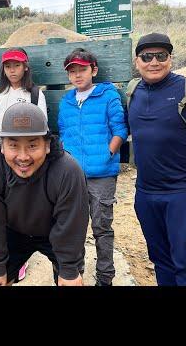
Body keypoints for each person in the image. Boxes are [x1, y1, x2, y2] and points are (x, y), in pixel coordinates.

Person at [127, 33, 186, 286]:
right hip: (145, 193)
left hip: (182, 192)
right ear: (137, 61)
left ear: (171, 59)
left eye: (161, 56)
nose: (153, 62)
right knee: (160, 259)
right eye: (147, 56)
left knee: (185, 262)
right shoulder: (132, 91)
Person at [0, 102, 89, 286]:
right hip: (14, 232)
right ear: (2, 145)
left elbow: (72, 221)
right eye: (13, 145)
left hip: (55, 230)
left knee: (70, 281)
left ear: (48, 145)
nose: (23, 156)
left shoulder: (68, 170)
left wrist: (68, 269)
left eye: (33, 145)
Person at [57, 47, 128, 286]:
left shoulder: (108, 96)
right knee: (74, 228)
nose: (77, 75)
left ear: (93, 70)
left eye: (82, 69)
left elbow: (120, 129)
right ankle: (75, 274)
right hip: (73, 176)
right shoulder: (66, 101)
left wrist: (108, 153)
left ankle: (105, 278)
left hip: (103, 175)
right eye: (72, 71)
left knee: (102, 228)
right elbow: (63, 133)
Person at [0, 47, 48, 281]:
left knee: (21, 208)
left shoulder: (35, 95)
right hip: (0, 158)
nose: (12, 70)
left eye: (17, 65)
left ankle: (21, 260)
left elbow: (41, 132)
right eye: (8, 66)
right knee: (0, 208)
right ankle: (4, 259)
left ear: (25, 67)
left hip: (24, 159)